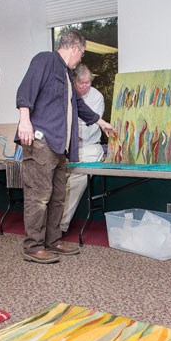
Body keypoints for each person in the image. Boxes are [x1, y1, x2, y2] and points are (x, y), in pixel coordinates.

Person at [16, 30, 114, 264]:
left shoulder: (66, 74)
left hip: (59, 145)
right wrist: (24, 120)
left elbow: (78, 105)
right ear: (75, 48)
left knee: (58, 196)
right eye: (81, 54)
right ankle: (33, 246)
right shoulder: (45, 60)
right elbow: (25, 90)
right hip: (41, 141)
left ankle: (52, 241)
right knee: (38, 197)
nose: (80, 59)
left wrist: (101, 122)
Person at [60, 64, 105, 234]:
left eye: (88, 83)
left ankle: (60, 226)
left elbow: (90, 128)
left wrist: (68, 133)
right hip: (66, 147)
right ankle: (48, 224)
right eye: (82, 83)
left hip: (89, 147)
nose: (85, 87)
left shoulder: (97, 97)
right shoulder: (66, 94)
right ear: (74, 81)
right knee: (57, 180)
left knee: (76, 180)